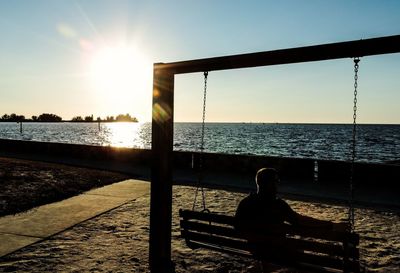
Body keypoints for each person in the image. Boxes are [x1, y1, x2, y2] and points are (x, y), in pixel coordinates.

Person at [234, 167, 349, 271]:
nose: (277, 185)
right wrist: (332, 225)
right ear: (270, 184)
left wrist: (257, 238)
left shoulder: (245, 203)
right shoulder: (277, 205)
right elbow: (300, 221)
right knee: (299, 253)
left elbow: (237, 228)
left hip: (254, 249)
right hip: (274, 251)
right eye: (276, 181)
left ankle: (266, 266)